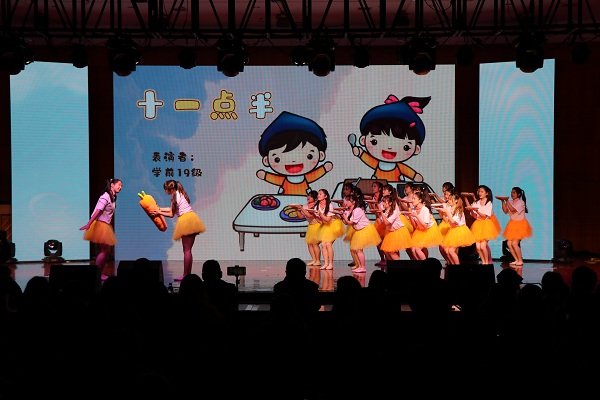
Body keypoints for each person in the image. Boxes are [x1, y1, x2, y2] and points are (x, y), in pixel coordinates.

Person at [152, 180, 206, 281]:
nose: (165, 192)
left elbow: (171, 214)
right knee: (187, 250)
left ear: (170, 189)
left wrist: (159, 212)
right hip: (191, 219)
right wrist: (159, 209)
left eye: (166, 190)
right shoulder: (180, 193)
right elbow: (171, 209)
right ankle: (187, 274)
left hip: (186, 220)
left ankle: (186, 275)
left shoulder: (175, 196)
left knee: (187, 250)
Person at [80, 178, 123, 280]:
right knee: (104, 251)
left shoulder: (113, 197)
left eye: (121, 186)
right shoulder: (105, 196)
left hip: (105, 225)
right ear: (112, 185)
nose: (120, 187)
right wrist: (89, 224)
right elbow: (98, 211)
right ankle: (96, 274)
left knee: (106, 252)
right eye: (119, 185)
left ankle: (99, 273)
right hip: (100, 225)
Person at [339, 193, 382, 273]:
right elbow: (346, 222)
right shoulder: (348, 211)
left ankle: (363, 267)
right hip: (358, 230)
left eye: (348, 201)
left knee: (358, 249)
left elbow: (351, 222)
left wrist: (344, 216)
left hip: (365, 229)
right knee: (356, 249)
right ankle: (360, 266)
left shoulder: (357, 210)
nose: (346, 202)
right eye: (346, 200)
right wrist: (342, 216)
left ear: (353, 202)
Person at [462, 185, 501, 265]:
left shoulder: (488, 203)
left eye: (482, 192)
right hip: (478, 224)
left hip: (486, 224)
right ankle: (483, 261)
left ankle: (487, 262)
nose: (480, 193)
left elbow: (484, 216)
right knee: (478, 247)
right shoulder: (477, 202)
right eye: (479, 191)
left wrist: (477, 210)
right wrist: (471, 209)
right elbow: (474, 214)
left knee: (483, 246)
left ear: (486, 193)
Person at [438, 192, 476, 265]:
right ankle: (453, 265)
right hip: (453, 230)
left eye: (450, 199)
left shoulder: (458, 209)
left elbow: (453, 221)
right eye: (448, 199)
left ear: (456, 201)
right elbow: (447, 221)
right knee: (446, 250)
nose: (448, 201)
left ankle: (457, 266)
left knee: (451, 251)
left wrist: (447, 212)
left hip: (460, 230)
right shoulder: (451, 209)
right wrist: (442, 213)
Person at [498, 187, 532, 266]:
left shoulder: (521, 202)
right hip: (512, 224)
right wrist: (503, 201)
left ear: (518, 194)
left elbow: (513, 210)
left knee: (514, 243)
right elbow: (505, 211)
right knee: (509, 243)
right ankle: (516, 260)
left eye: (514, 192)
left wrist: (506, 201)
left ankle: (520, 260)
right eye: (511, 192)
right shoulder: (510, 202)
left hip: (520, 224)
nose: (512, 194)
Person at [313, 189, 345, 270]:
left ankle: (330, 264)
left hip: (333, 225)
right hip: (325, 225)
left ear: (325, 196)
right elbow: (321, 221)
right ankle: (326, 264)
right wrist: (315, 216)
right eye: (318, 194)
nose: (318, 195)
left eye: (320, 194)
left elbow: (328, 220)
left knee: (328, 244)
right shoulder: (317, 206)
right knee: (323, 244)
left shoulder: (329, 205)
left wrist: (320, 214)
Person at [406, 191, 443, 260]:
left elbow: (425, 226)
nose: (412, 200)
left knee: (417, 249)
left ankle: (425, 264)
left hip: (428, 230)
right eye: (412, 198)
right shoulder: (414, 210)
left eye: (414, 198)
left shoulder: (425, 210)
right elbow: (415, 226)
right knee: (413, 249)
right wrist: (410, 216)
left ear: (420, 200)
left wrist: (416, 216)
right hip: (420, 229)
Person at [376, 194, 413, 261]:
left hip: (399, 232)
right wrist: (378, 213)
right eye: (383, 201)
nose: (383, 203)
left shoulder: (394, 212)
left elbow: (387, 223)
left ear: (390, 203)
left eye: (385, 202)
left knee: (391, 251)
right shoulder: (386, 212)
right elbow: (380, 222)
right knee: (386, 251)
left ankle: (398, 265)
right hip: (391, 232)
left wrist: (381, 212)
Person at [292, 190, 322, 267]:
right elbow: (301, 216)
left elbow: (310, 215)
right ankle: (314, 260)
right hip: (311, 226)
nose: (308, 197)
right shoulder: (305, 206)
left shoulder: (316, 205)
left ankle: (318, 261)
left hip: (318, 225)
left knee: (315, 243)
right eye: (308, 195)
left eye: (311, 196)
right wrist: (296, 209)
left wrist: (301, 208)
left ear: (315, 198)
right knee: (309, 244)